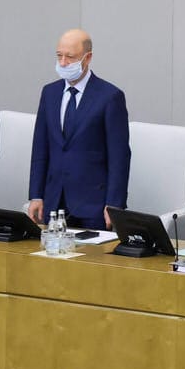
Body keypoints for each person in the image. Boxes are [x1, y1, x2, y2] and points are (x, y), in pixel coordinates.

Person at [28, 29, 130, 229]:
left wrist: (114, 204)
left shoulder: (109, 96)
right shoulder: (50, 93)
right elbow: (40, 148)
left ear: (87, 57)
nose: (63, 62)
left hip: (93, 203)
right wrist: (36, 195)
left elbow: (119, 156)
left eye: (70, 57)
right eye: (59, 56)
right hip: (55, 201)